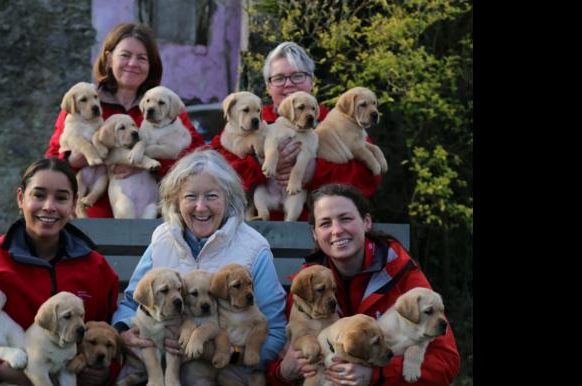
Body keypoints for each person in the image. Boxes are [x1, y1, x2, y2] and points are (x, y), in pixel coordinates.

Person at [0, 158, 121, 386]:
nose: (49, 206)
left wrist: (106, 371)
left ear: (73, 205)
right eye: (39, 195)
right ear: (21, 198)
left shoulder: (96, 267)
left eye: (61, 198)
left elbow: (112, 332)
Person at [111, 149, 288, 385]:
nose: (201, 207)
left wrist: (226, 355)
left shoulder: (254, 248)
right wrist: (126, 333)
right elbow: (132, 302)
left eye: (212, 196)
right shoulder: (162, 239)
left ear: (229, 198)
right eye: (191, 197)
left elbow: (275, 332)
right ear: (176, 200)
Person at [266, 184, 460, 386]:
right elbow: (271, 363)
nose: (337, 230)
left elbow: (446, 361)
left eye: (345, 219)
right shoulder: (307, 288)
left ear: (366, 222)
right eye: (325, 223)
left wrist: (376, 376)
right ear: (315, 234)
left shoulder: (403, 275)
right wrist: (283, 373)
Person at [45, 22, 206, 218]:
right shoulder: (84, 103)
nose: (132, 64)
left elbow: (198, 157)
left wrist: (148, 162)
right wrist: (72, 161)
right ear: (109, 58)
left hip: (153, 221)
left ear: (151, 65)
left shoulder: (164, 106)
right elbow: (52, 162)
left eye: (142, 58)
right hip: (92, 222)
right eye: (125, 55)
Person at [210, 41, 381, 221]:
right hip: (257, 232)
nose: (288, 84)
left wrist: (314, 172)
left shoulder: (334, 121)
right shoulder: (251, 120)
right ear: (269, 87)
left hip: (321, 232)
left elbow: (368, 178)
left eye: (298, 76)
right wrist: (262, 166)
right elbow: (214, 169)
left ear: (312, 82)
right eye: (278, 78)